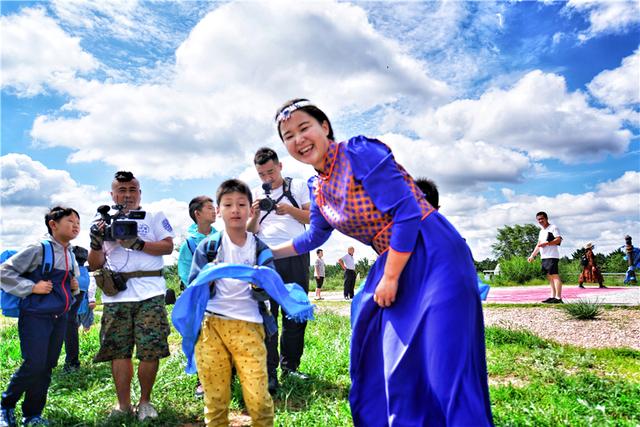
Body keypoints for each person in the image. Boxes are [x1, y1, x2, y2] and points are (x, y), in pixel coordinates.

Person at [269, 99, 493, 426]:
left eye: (305, 128)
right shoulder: (318, 187)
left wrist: (390, 278)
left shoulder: (358, 153)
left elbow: (407, 211)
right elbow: (314, 236)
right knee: (394, 363)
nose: (299, 140)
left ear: (325, 127)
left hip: (432, 252)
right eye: (289, 136)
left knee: (444, 363)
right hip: (391, 257)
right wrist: (269, 252)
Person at [88, 171, 174, 421]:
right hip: (118, 296)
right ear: (112, 194)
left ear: (140, 193)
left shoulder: (154, 216)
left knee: (151, 349)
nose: (127, 195)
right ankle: (123, 404)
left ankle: (145, 402)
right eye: (122, 190)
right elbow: (94, 264)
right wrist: (95, 242)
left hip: (151, 292)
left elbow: (168, 246)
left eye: (132, 190)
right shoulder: (103, 223)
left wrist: (138, 244)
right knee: (119, 351)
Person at [188, 179, 274, 427]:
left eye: (241, 204)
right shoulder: (209, 247)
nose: (235, 209)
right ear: (219, 211)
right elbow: (194, 284)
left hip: (250, 326)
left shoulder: (259, 248)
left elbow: (271, 284)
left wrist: (259, 284)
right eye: (228, 204)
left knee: (258, 397)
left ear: (250, 210)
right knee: (215, 398)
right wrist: (208, 276)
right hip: (210, 327)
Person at [0, 206, 81, 427]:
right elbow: (4, 272)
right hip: (36, 316)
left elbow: (68, 285)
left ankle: (32, 414)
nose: (76, 226)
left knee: (46, 366)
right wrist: (31, 286)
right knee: (34, 364)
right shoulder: (38, 248)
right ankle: (5, 405)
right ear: (53, 225)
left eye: (78, 222)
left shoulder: (70, 252)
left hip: (60, 317)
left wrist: (73, 286)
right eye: (70, 221)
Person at [247, 147, 311, 392]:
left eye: (270, 172)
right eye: (262, 174)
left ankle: (291, 367)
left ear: (280, 166)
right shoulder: (254, 193)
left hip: (295, 254)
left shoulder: (299, 186)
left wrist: (288, 210)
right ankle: (269, 370)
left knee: (295, 312)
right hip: (265, 258)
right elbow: (251, 230)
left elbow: (312, 218)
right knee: (266, 316)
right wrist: (255, 213)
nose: (267, 178)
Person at [178, 196, 217, 290]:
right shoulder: (188, 245)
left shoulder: (221, 238)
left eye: (214, 208)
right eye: (210, 208)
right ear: (198, 214)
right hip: (200, 297)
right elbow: (186, 275)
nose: (214, 211)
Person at [62, 246, 90, 372]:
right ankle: (72, 361)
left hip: (74, 286)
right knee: (70, 321)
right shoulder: (84, 270)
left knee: (69, 322)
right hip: (81, 287)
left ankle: (72, 362)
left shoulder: (74, 270)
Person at [528, 211, 564, 303]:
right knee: (549, 276)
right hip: (544, 257)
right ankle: (552, 296)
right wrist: (532, 255)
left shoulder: (553, 228)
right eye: (538, 219)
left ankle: (558, 298)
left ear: (546, 218)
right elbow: (538, 245)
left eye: (542, 219)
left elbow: (558, 239)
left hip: (552, 256)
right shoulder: (541, 231)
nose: (540, 221)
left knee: (555, 275)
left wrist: (547, 243)